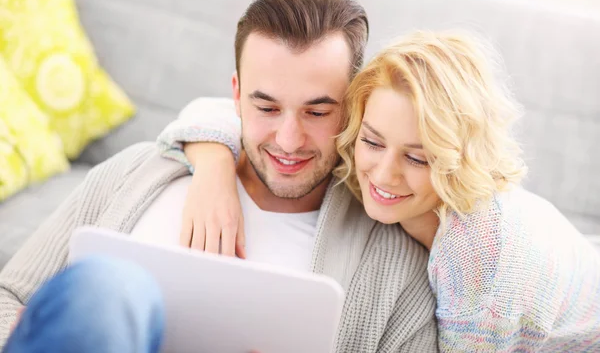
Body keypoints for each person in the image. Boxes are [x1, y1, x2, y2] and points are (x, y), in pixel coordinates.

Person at [0, 0, 437, 352]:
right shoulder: (140, 172)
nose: (288, 141)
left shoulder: (392, 262)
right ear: (236, 94)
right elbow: (10, 294)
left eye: (317, 113)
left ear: (353, 109)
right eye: (265, 107)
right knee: (106, 288)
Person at [158, 31, 600, 352]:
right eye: (372, 141)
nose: (383, 175)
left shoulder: (481, 261)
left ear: (459, 156)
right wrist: (214, 170)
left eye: (418, 157)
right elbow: (218, 110)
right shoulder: (359, 158)